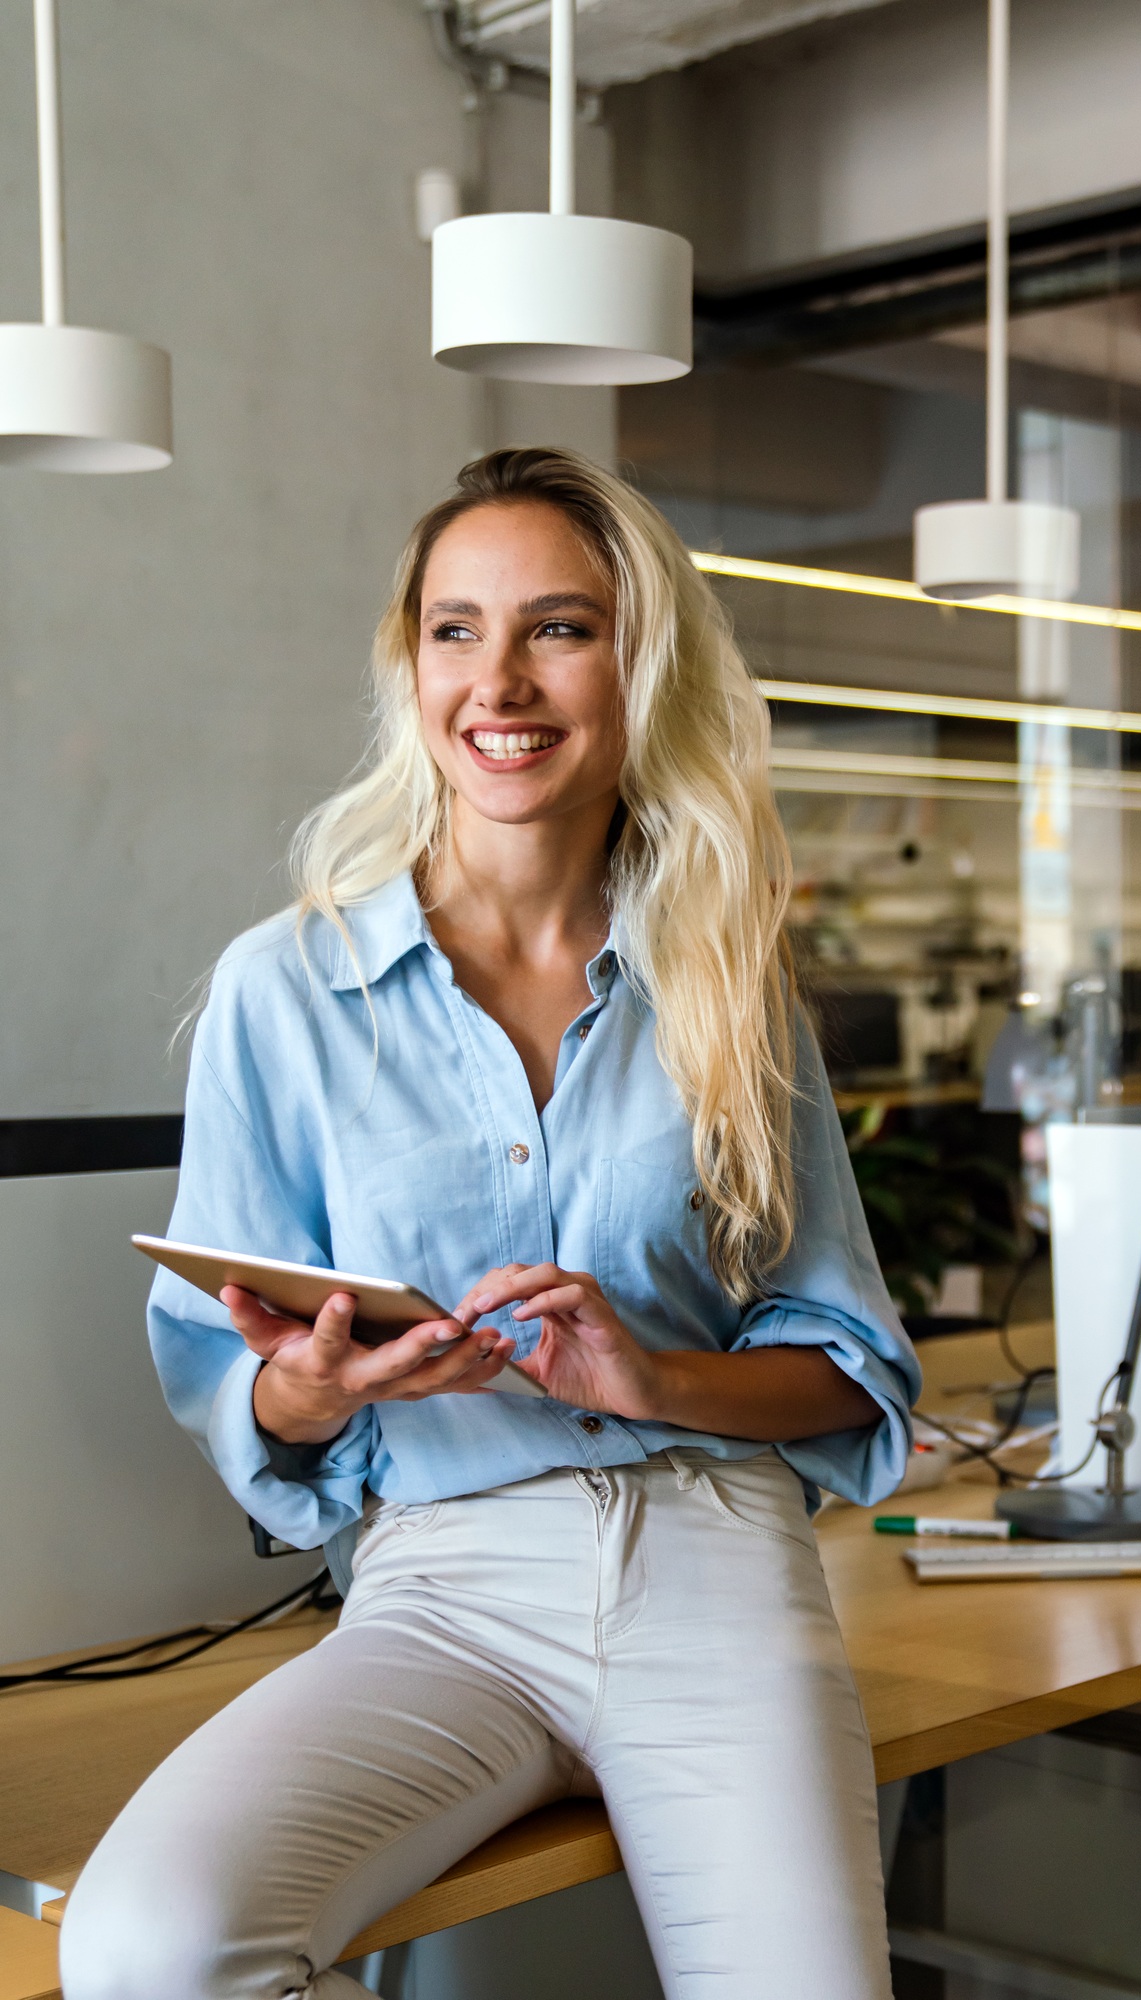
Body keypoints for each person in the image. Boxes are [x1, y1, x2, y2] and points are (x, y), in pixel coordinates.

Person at [60, 447, 921, 2000]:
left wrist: (646, 1377)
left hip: (710, 1561)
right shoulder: (286, 985)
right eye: (455, 629)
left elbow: (845, 1365)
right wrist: (313, 1388)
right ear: (410, 665)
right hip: (441, 1584)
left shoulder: (725, 976)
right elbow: (229, 1371)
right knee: (154, 1951)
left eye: (559, 627)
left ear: (634, 657)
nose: (499, 680)